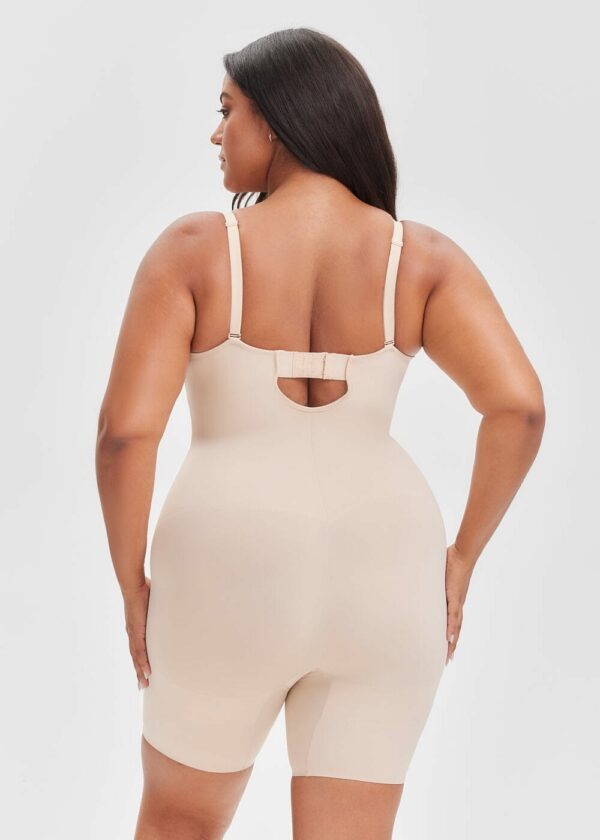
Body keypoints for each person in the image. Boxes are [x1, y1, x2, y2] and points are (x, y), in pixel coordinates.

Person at [95, 27, 545, 840]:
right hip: (388, 567)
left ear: (277, 121)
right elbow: (519, 407)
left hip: (224, 562)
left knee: (179, 822)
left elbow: (126, 434)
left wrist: (132, 584)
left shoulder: (195, 251)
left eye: (227, 111)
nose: (216, 134)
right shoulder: (421, 259)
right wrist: (460, 559)